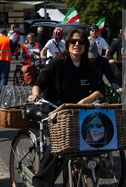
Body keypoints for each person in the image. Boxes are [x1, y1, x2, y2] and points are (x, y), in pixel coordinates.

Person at [28, 28, 105, 187]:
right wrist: (35, 94)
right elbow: (39, 84)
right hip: (55, 111)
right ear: (67, 43)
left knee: (93, 142)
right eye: (74, 41)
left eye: (81, 41)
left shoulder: (88, 67)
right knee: (60, 143)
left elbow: (100, 90)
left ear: (85, 45)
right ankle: (40, 183)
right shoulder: (57, 63)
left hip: (78, 113)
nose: (78, 44)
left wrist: (88, 99)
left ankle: (78, 173)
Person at [0, 28, 14, 97]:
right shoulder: (8, 40)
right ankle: (2, 92)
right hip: (6, 60)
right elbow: (12, 49)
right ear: (6, 33)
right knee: (4, 77)